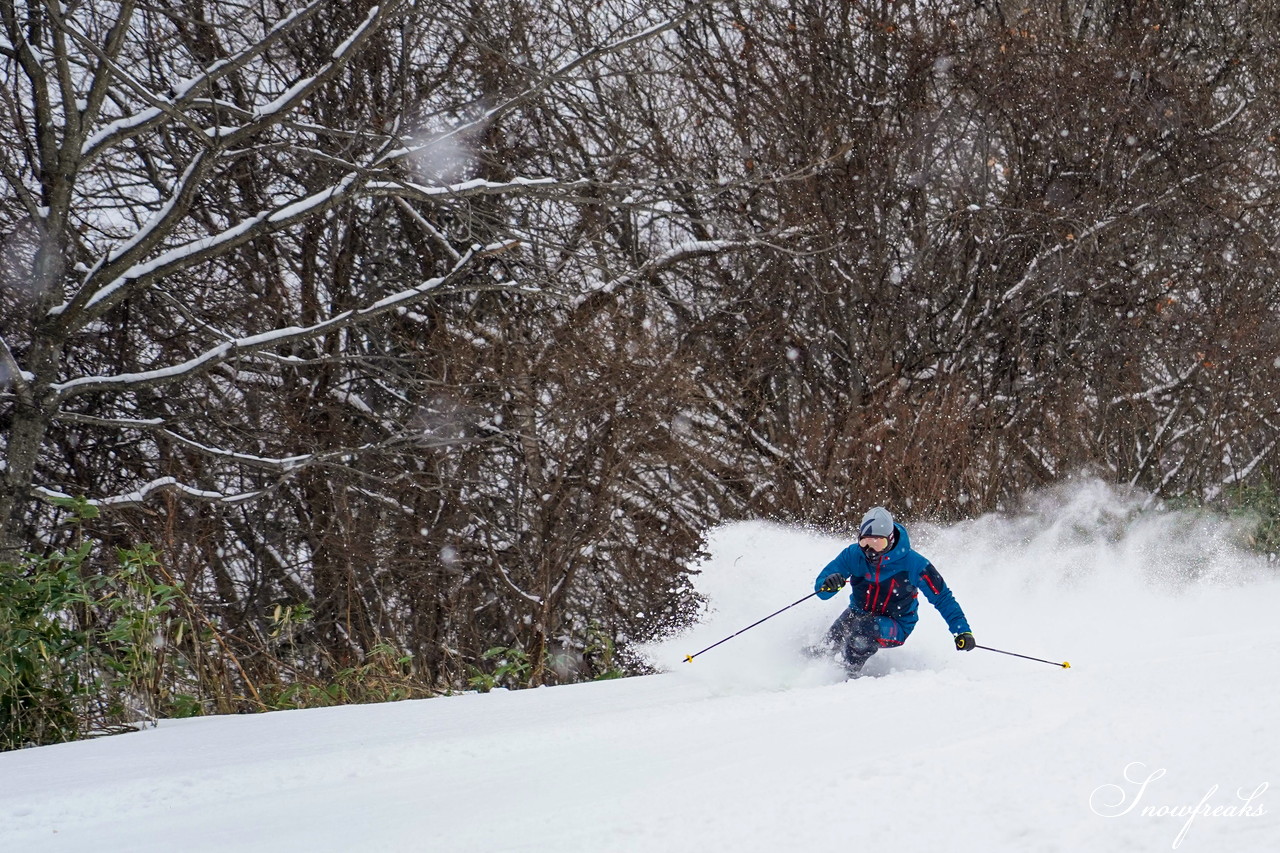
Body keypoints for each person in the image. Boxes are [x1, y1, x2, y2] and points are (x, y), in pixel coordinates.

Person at [813, 506, 975, 676]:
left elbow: (943, 598)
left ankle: (842, 677)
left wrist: (962, 631)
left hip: (897, 623)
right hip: (858, 612)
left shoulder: (914, 564)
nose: (871, 551)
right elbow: (821, 591)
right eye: (865, 542)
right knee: (830, 643)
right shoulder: (853, 555)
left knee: (862, 633)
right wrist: (829, 584)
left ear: (890, 540)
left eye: (878, 543)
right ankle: (806, 670)